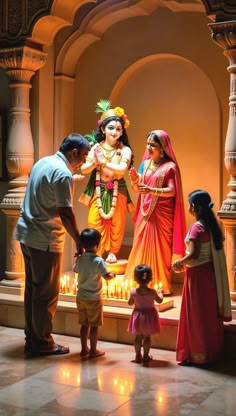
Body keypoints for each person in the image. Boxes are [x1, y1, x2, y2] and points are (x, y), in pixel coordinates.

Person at [14, 133, 90, 356]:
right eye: (83, 156)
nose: (84, 162)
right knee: (46, 294)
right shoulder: (63, 173)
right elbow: (65, 213)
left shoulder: (43, 162)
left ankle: (33, 336)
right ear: (73, 152)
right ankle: (42, 342)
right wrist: (78, 241)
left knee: (33, 290)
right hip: (44, 239)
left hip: (27, 234)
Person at [172, 190, 232, 366]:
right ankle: (210, 353)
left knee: (196, 318)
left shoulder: (197, 227)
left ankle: (197, 354)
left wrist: (178, 263)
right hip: (209, 276)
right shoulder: (211, 225)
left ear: (193, 207)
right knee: (208, 316)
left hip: (197, 277)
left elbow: (194, 254)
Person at [124, 129, 186, 295]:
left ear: (163, 148)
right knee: (139, 245)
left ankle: (161, 285)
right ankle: (137, 282)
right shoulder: (145, 164)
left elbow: (172, 191)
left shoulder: (169, 167)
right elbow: (138, 190)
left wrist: (152, 189)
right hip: (145, 215)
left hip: (162, 216)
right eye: (148, 144)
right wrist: (134, 180)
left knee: (161, 250)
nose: (149, 147)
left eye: (153, 145)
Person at [79, 99, 134, 263]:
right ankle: (96, 250)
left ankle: (112, 252)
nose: (114, 131)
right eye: (110, 128)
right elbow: (83, 169)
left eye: (118, 128)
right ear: (102, 129)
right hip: (98, 189)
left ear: (122, 131)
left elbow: (122, 170)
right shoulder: (95, 148)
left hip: (118, 188)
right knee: (94, 221)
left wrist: (103, 161)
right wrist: (95, 162)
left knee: (117, 223)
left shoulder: (125, 150)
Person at [74, 228, 115, 358]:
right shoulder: (98, 261)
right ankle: (93, 350)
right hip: (94, 299)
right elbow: (106, 276)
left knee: (84, 324)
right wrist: (112, 275)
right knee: (94, 326)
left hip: (80, 297)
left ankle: (83, 349)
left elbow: (75, 270)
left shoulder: (80, 259)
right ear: (97, 245)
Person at [127, 264, 163, 364]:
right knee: (147, 337)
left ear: (136, 278)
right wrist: (161, 293)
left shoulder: (133, 291)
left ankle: (138, 356)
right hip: (149, 316)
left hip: (137, 316)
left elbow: (130, 303)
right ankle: (146, 356)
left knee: (137, 337)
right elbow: (159, 301)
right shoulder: (152, 292)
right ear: (150, 278)